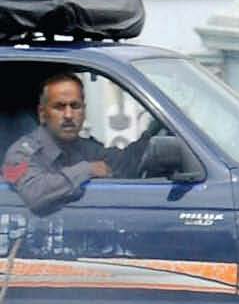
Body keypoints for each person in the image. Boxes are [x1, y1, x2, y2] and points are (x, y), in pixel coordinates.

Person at [2, 71, 158, 216]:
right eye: (59, 107)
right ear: (42, 114)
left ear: (84, 111)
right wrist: (87, 170)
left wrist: (155, 132)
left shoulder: (86, 148)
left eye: (75, 106)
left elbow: (125, 164)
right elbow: (34, 193)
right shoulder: (19, 154)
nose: (69, 115)